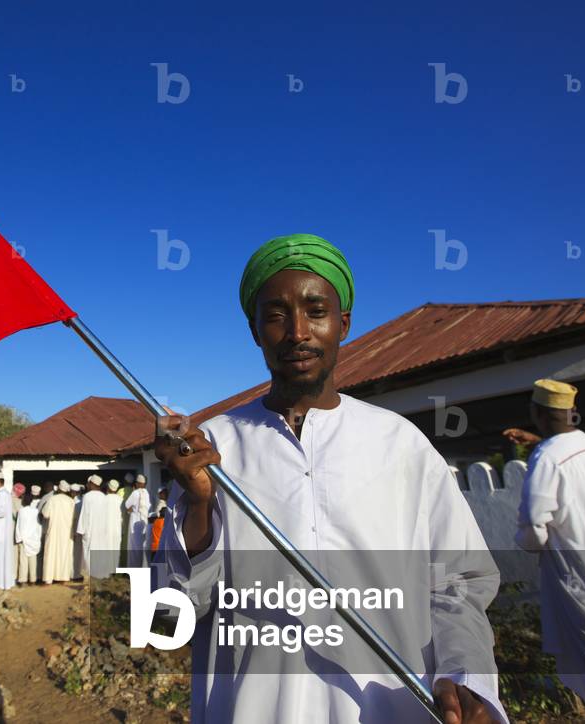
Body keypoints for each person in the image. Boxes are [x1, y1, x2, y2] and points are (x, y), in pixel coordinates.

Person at [154, 234, 507, 723]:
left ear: (342, 325)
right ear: (255, 331)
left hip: (390, 707)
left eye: (315, 311)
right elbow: (167, 618)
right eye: (275, 315)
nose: (298, 332)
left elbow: (459, 583)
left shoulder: (400, 444)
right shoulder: (212, 448)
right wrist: (196, 507)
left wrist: (464, 678)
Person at [504, 379, 585, 723]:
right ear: (571, 412)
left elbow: (535, 522)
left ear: (538, 413)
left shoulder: (548, 457)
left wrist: (529, 546)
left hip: (578, 573)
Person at [76, 475, 110, 579]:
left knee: (88, 552)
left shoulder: (87, 496)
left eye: (88, 483)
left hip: (90, 529)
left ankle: (91, 576)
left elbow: (84, 513)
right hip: (101, 530)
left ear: (92, 484)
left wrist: (80, 530)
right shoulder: (104, 497)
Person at [41, 480, 75, 584]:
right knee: (64, 554)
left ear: (59, 489)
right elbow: (74, 517)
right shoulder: (71, 501)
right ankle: (63, 577)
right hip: (66, 532)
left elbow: (45, 514)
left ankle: (48, 579)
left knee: (51, 553)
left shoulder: (52, 499)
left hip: (53, 531)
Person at [16, 490, 42, 584]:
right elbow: (38, 525)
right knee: (33, 560)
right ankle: (33, 579)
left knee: (23, 560)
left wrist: (18, 538)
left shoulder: (21, 511)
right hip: (33, 539)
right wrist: (38, 537)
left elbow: (18, 526)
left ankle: (22, 579)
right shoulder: (35, 511)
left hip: (23, 539)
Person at [124, 474, 151, 567]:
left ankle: (133, 567)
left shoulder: (135, 493)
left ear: (138, 483)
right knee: (142, 546)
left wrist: (131, 510)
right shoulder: (147, 493)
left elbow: (127, 505)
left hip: (134, 522)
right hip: (144, 523)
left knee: (133, 547)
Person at [101, 480, 124, 578]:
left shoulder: (103, 499)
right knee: (116, 548)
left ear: (108, 488)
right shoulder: (121, 500)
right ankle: (114, 570)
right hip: (117, 529)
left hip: (105, 529)